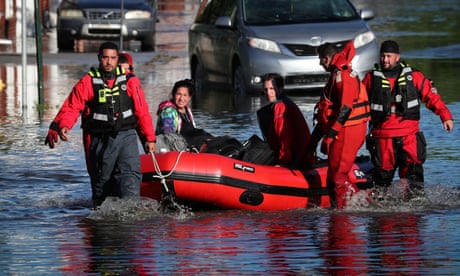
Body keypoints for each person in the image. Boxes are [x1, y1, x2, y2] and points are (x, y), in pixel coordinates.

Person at [44, 41, 156, 207]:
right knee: (102, 183)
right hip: (100, 139)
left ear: (118, 59)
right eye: (105, 58)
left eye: (112, 58)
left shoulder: (131, 81)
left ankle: (131, 217)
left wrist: (150, 138)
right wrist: (63, 126)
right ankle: (103, 220)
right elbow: (72, 106)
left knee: (131, 176)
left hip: (127, 136)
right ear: (99, 58)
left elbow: (142, 111)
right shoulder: (88, 82)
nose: (109, 62)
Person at [363, 40, 454, 196]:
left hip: (409, 136)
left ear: (398, 57)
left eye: (389, 56)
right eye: (383, 56)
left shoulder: (414, 76)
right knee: (381, 182)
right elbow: (357, 103)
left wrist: (445, 116)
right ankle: (382, 214)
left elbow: (431, 97)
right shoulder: (371, 78)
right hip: (383, 137)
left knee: (414, 179)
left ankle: (415, 213)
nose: (385, 60)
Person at [311, 41, 370, 209]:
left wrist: (330, 135)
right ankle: (340, 208)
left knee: (337, 176)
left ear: (327, 58)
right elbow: (329, 112)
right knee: (334, 175)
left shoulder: (343, 76)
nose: (320, 63)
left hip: (348, 130)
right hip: (343, 129)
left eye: (321, 59)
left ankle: (343, 212)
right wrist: (315, 139)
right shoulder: (336, 75)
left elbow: (345, 108)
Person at [257, 73, 314, 169]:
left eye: (272, 89)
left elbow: (284, 136)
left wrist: (283, 162)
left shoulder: (281, 106)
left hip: (298, 161)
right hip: (298, 157)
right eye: (266, 89)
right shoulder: (278, 106)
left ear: (280, 89)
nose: (268, 93)